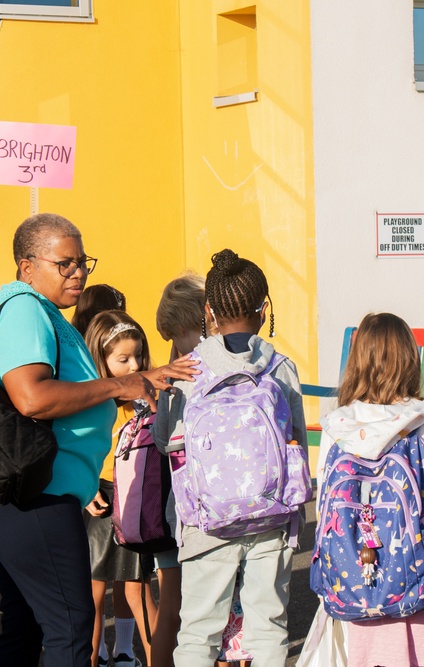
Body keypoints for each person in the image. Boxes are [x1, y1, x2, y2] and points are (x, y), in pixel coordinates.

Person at [0, 212, 197, 667]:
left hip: (8, 485)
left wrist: (142, 376)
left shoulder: (31, 307)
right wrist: (120, 386)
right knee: (70, 624)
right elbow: (32, 397)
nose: (78, 272)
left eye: (83, 262)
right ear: (27, 266)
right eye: (64, 263)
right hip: (30, 491)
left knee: (26, 621)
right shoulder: (25, 309)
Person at [309, 312, 424, 667]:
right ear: (411, 361)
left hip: (356, 571)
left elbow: (324, 504)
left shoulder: (338, 424)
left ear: (357, 364)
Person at [155, 248, 306, 666]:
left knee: (199, 630)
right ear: (263, 310)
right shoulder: (280, 367)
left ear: (209, 311)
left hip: (205, 520)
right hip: (271, 516)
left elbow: (168, 442)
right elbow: (295, 443)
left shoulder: (189, 369)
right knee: (268, 628)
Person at [84, 310, 160, 667]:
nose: (134, 365)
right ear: (102, 359)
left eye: (138, 356)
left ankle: (157, 658)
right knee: (92, 595)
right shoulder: (91, 400)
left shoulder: (146, 399)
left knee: (138, 591)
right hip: (98, 499)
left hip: (133, 502)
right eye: (123, 359)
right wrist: (85, 490)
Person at [151, 271, 216, 665]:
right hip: (236, 508)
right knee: (230, 615)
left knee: (184, 614)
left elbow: (165, 440)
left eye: (176, 335)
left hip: (189, 513)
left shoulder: (183, 374)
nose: (175, 347)